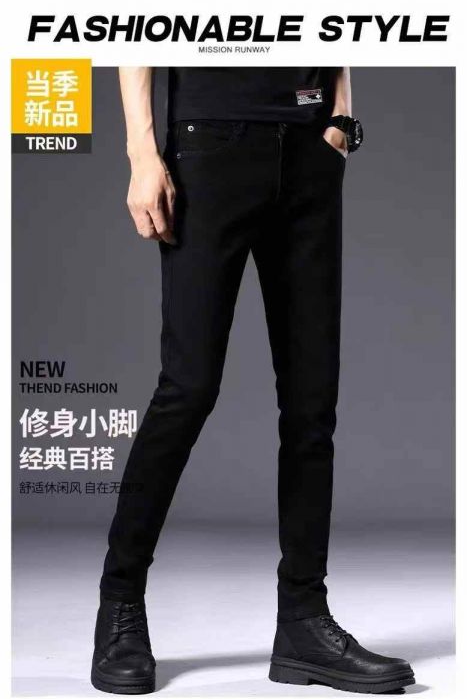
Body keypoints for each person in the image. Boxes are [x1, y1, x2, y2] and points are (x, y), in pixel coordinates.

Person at [91, 67, 414, 695]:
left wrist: (340, 117)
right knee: (187, 387)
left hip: (309, 146)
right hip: (209, 146)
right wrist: (142, 153)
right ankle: (120, 604)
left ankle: (303, 621)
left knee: (312, 402)